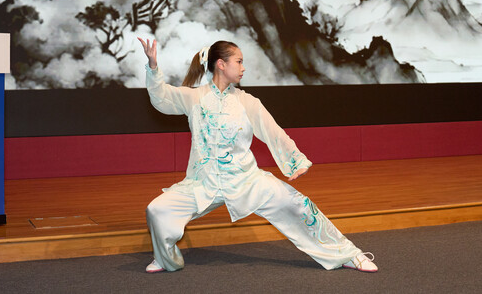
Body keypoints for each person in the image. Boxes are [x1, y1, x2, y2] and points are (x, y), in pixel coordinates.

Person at [137, 37, 378, 273]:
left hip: (246, 181)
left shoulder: (247, 102)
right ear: (221, 64)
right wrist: (153, 66)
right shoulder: (194, 98)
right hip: (202, 183)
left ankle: (348, 254)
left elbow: (273, 131)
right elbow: (161, 98)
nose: (243, 68)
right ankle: (165, 258)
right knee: (158, 210)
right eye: (239, 62)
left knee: (298, 205)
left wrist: (294, 161)